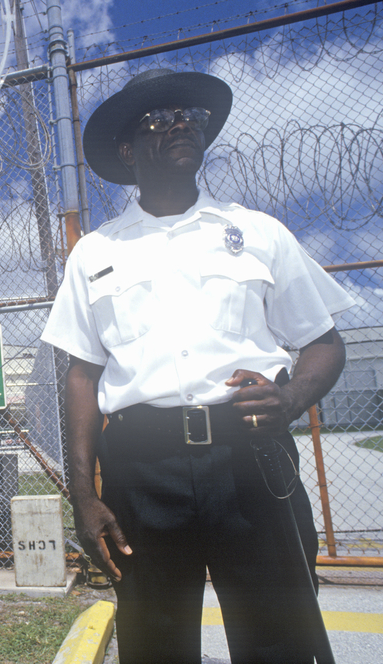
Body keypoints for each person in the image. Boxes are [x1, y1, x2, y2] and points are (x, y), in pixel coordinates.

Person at [41, 68, 356, 663]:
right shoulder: (96, 253)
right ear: (128, 151)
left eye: (191, 117)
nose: (181, 124)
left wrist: (290, 399)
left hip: (251, 458)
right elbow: (80, 377)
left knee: (278, 639)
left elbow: (324, 343)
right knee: (154, 644)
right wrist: (83, 497)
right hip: (142, 469)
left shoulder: (256, 232)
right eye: (159, 119)